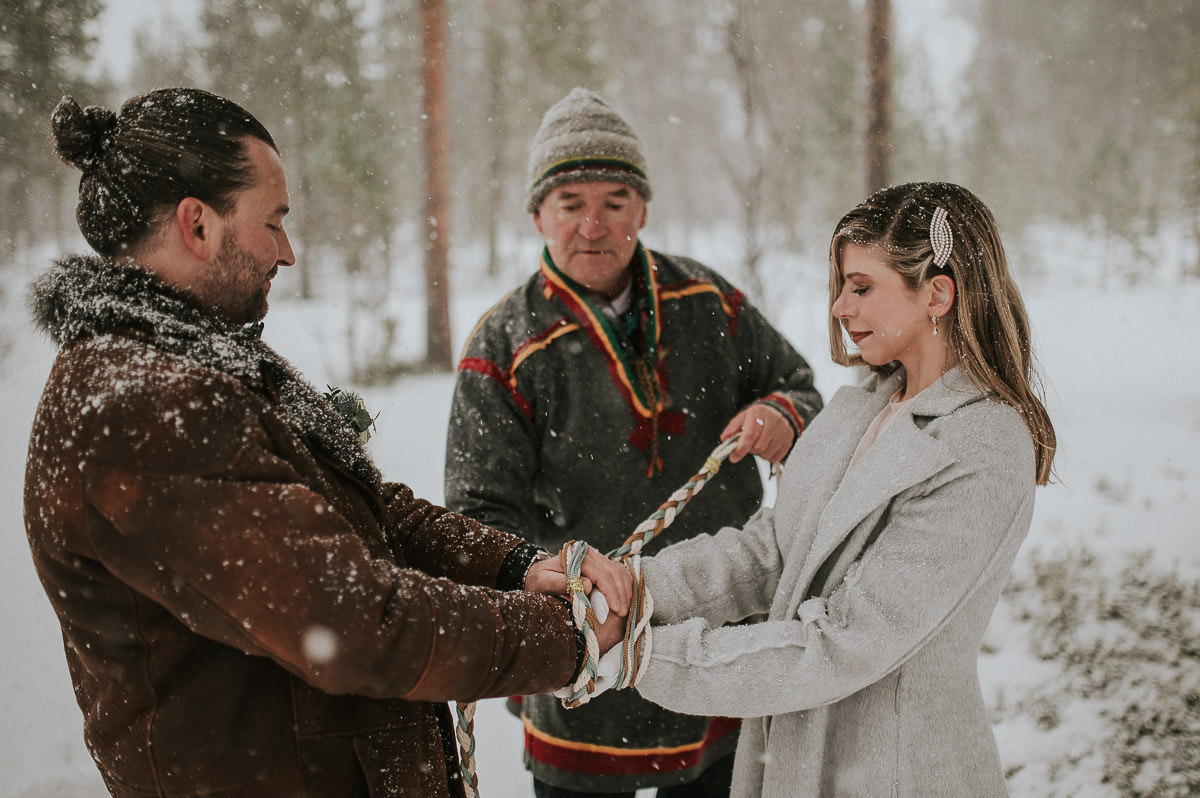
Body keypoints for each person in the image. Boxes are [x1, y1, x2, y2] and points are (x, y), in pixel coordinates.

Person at [24, 87, 631, 798]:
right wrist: (567, 637)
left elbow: (365, 512)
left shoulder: (198, 365)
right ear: (198, 225)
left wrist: (517, 567)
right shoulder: (144, 409)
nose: (286, 251)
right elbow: (353, 623)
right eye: (273, 222)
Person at [444, 87, 823, 797]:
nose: (594, 224)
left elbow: (798, 382)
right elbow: (477, 515)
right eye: (570, 203)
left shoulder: (708, 301)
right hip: (586, 649)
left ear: (643, 209)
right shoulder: (503, 347)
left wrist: (781, 411)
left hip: (716, 635)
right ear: (536, 216)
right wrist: (552, 574)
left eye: (615, 201)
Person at [628, 181, 1058, 797]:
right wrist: (634, 587)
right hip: (795, 759)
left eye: (861, 287)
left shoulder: (985, 446)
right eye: (842, 287)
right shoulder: (858, 410)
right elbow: (773, 553)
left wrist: (645, 656)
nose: (838, 307)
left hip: (899, 771)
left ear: (937, 293)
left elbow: (844, 641)